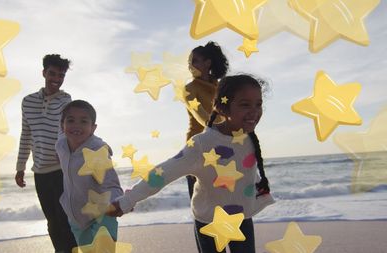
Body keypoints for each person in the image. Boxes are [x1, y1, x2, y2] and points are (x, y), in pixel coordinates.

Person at [108, 74, 274, 253]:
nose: (254, 111)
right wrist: (128, 200)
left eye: (258, 104)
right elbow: (164, 173)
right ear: (222, 108)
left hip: (242, 218)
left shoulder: (249, 139)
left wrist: (259, 191)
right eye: (245, 104)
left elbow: (244, 171)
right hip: (209, 220)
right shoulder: (203, 144)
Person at [15, 54, 77, 253]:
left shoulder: (65, 101)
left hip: (61, 168)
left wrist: (62, 151)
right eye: (52, 73)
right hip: (40, 172)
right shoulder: (28, 102)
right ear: (44, 73)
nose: (56, 79)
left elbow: (64, 130)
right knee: (52, 221)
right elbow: (26, 134)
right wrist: (20, 167)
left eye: (61, 75)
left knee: (65, 219)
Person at [56, 100, 123, 246]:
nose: (76, 126)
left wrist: (119, 203)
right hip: (77, 217)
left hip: (103, 215)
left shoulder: (97, 152)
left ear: (93, 128)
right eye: (71, 120)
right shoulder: (60, 144)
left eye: (83, 121)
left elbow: (111, 184)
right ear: (62, 125)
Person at [185, 41, 229, 252]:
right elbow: (203, 118)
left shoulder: (222, 86)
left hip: (223, 149)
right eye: (190, 61)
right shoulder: (189, 89)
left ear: (207, 62)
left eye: (195, 60)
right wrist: (229, 125)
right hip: (198, 151)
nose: (191, 65)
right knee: (202, 210)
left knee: (223, 207)